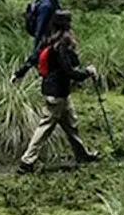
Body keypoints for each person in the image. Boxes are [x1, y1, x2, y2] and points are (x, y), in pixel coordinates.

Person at [18, 10, 101, 174]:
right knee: (45, 127)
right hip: (57, 94)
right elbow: (69, 71)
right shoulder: (62, 44)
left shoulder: (47, 40)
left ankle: (82, 154)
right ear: (67, 26)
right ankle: (27, 161)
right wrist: (88, 72)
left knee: (71, 124)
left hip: (57, 92)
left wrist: (19, 73)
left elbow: (33, 58)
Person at [13, 0, 74, 82]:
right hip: (46, 44)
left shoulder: (51, 0)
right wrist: (36, 53)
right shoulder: (47, 5)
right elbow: (40, 31)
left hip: (52, 42)